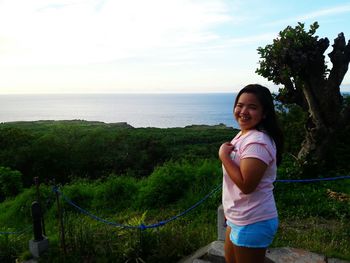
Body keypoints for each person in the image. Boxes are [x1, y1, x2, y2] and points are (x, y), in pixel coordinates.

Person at [219, 84, 283, 263]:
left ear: (264, 113)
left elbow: (247, 185)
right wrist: (230, 209)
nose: (243, 111)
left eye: (252, 107)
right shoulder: (244, 134)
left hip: (253, 220)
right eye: (240, 105)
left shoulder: (257, 142)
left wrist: (223, 156)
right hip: (238, 217)